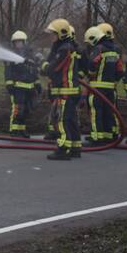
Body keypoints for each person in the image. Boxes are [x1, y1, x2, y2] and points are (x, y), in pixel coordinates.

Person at [42, 19, 82, 160]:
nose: (51, 37)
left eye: (53, 34)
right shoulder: (66, 47)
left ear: (61, 33)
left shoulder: (65, 49)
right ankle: (75, 148)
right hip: (69, 91)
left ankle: (63, 149)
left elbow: (54, 68)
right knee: (71, 121)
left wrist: (44, 67)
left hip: (66, 92)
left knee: (63, 121)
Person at [85, 23, 123, 143]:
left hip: (97, 89)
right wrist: (114, 81)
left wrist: (90, 74)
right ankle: (111, 135)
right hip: (111, 89)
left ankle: (97, 137)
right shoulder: (115, 50)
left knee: (96, 112)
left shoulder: (99, 49)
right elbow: (120, 70)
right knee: (110, 112)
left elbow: (91, 65)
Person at [4, 30, 40, 137]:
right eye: (16, 42)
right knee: (17, 109)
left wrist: (37, 82)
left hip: (30, 88)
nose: (18, 44)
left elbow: (34, 71)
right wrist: (9, 84)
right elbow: (8, 71)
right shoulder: (11, 56)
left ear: (24, 42)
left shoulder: (30, 55)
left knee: (27, 110)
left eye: (20, 42)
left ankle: (22, 129)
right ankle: (14, 130)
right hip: (17, 87)